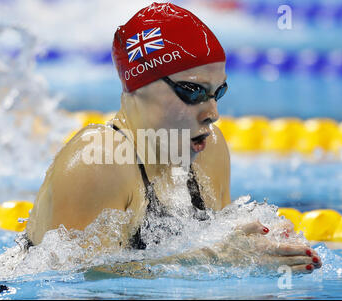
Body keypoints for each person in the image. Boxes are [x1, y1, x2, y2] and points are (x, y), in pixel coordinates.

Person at [24, 2, 321, 273]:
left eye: (218, 93)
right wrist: (211, 258)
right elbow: (69, 282)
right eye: (193, 92)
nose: (213, 113)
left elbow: (217, 259)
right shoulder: (98, 161)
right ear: (140, 86)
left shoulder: (210, 150)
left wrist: (260, 254)